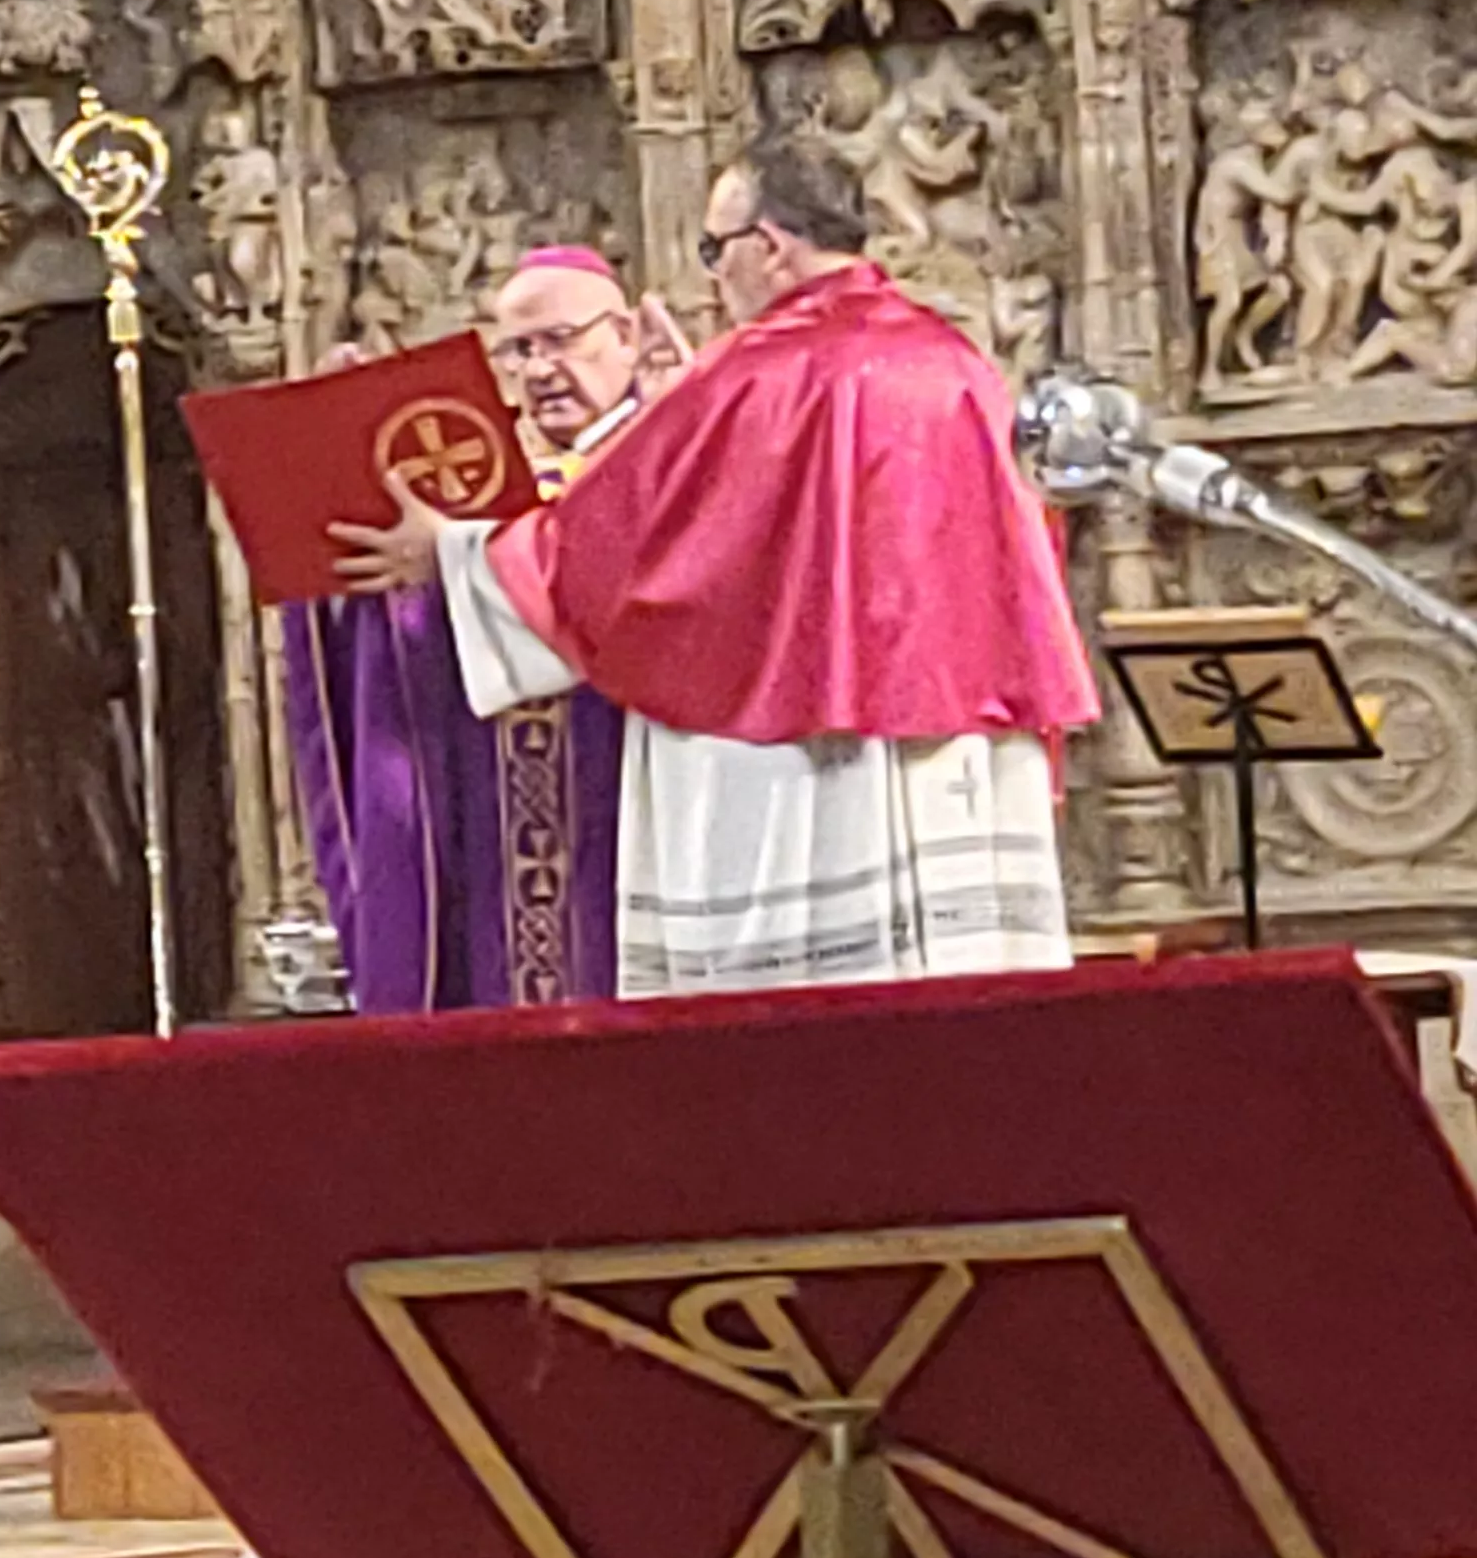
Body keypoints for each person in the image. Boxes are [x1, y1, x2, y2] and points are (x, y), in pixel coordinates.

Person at [335, 134, 1098, 993]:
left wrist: (454, 554)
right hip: (958, 757)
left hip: (807, 777)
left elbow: (627, 554)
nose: (712, 278)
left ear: (767, 246)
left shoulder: (756, 373)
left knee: (808, 1033)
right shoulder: (954, 361)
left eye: (714, 249)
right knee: (958, 1020)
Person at [284, 246, 656, 1012]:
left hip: (633, 826)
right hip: (486, 846)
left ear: (626, 336)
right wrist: (342, 452)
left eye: (561, 340)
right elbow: (386, 635)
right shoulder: (475, 482)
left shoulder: (674, 455)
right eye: (519, 350)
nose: (540, 369)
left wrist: (458, 557)